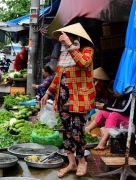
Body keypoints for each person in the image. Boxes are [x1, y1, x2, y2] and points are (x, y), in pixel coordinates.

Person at [41, 23, 96, 178]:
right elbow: (58, 76)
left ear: (75, 36)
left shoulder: (86, 50)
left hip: (80, 100)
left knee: (77, 131)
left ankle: (82, 162)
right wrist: (48, 93)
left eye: (66, 35)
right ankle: (71, 163)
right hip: (63, 100)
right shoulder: (64, 54)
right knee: (67, 133)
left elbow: (83, 63)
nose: (63, 38)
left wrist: (71, 45)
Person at [85, 81, 132, 150]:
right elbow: (112, 108)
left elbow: (123, 110)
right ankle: (88, 129)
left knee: (113, 115)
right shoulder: (117, 97)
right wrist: (104, 108)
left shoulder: (130, 95)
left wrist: (105, 107)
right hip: (121, 118)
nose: (113, 95)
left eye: (113, 93)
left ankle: (103, 142)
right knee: (103, 113)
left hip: (130, 122)